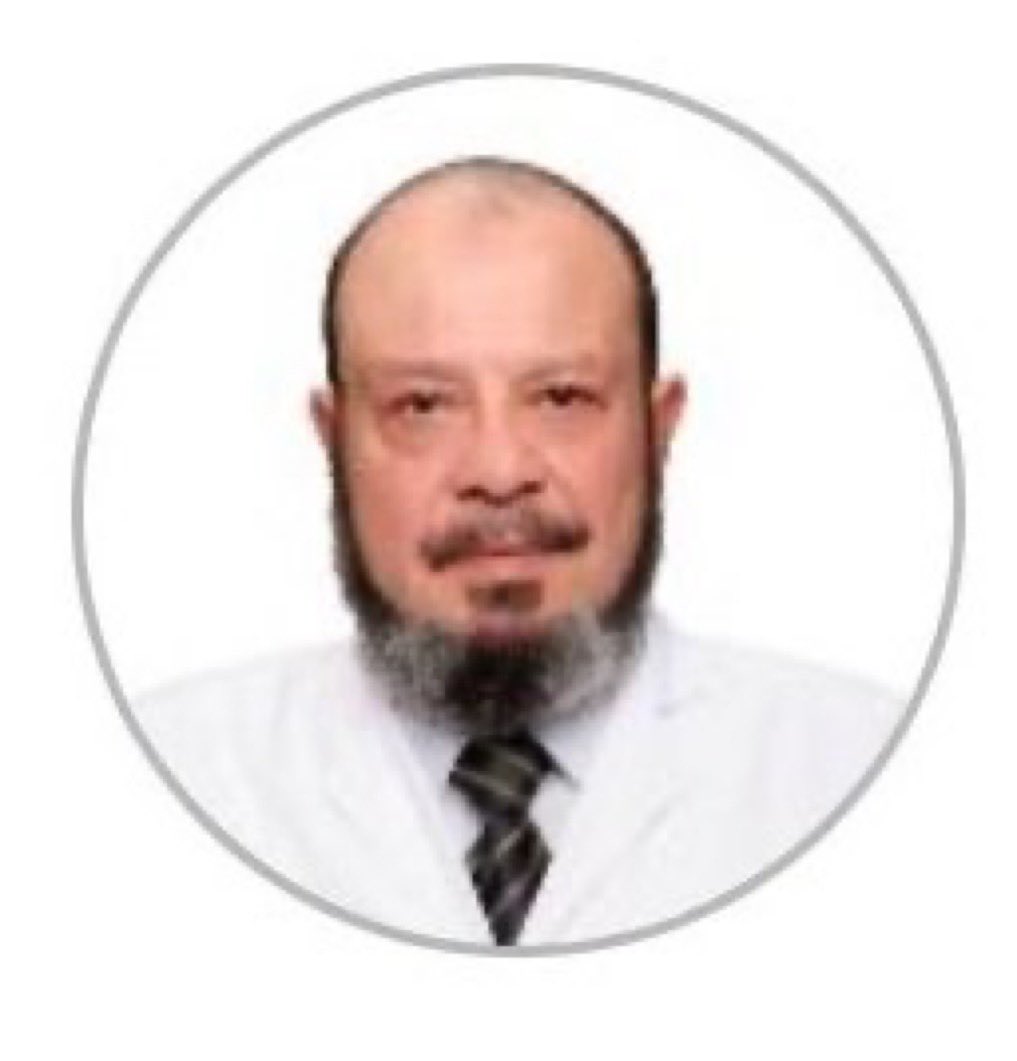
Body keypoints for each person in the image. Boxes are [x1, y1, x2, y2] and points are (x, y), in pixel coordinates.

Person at [134, 156, 902, 947]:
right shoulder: (163, 779)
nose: (499, 472)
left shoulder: (861, 767)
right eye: (422, 406)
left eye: (561, 397)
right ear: (333, 442)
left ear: (658, 430)